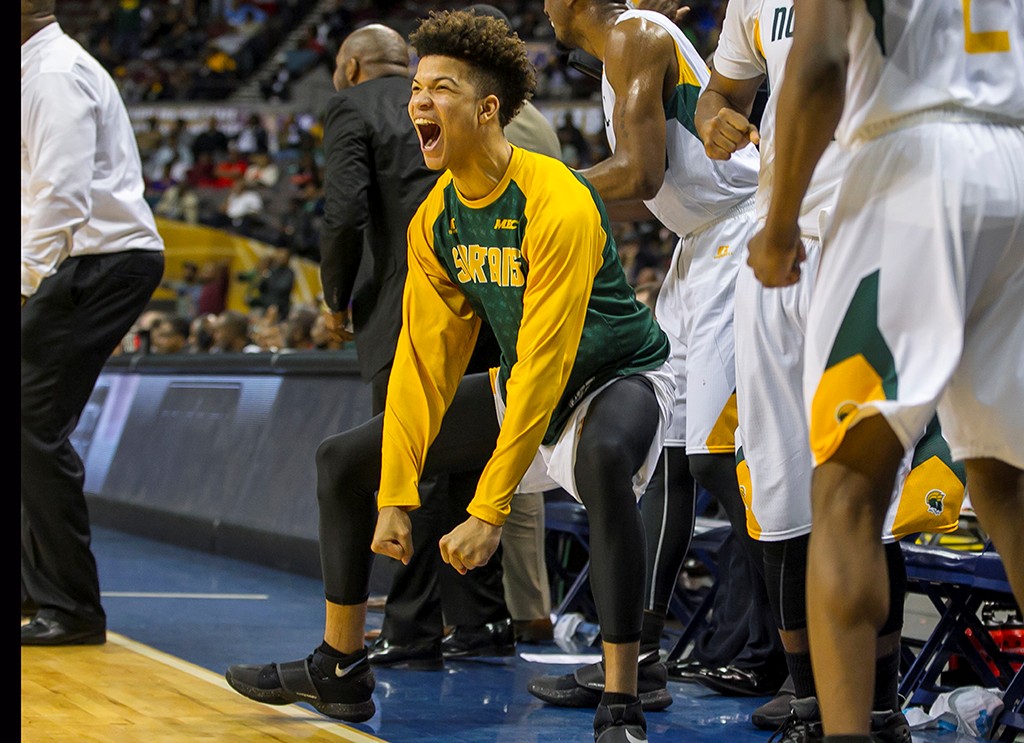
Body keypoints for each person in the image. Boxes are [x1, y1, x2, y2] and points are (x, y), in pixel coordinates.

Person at [225, 11, 675, 743]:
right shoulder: (435, 219)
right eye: (416, 88)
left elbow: (550, 360)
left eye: (441, 88)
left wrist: (490, 509)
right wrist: (397, 492)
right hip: (526, 382)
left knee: (600, 457)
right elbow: (423, 365)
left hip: (617, 376)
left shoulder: (556, 198)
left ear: (487, 108)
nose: (419, 103)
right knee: (345, 461)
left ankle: (622, 692)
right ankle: (341, 666)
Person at [745, 2, 1024, 741]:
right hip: (1016, 167)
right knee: (1006, 480)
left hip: (911, 168)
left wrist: (777, 226)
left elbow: (821, 61)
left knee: (846, 485)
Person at [528, 0, 787, 713]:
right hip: (699, 241)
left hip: (741, 229)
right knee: (665, 455)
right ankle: (635, 658)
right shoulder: (628, 44)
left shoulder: (636, 35)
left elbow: (637, 175)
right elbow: (653, 188)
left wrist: (545, 192)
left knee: (718, 456)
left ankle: (803, 658)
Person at [312, 21, 514, 673]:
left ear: (349, 67)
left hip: (409, 301)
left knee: (412, 457)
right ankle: (480, 619)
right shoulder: (451, 99)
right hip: (487, 287)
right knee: (470, 453)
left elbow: (344, 211)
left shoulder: (351, 104)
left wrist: (335, 298)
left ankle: (411, 627)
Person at [21, 0, 165, 645]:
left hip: (101, 261)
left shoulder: (52, 74)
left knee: (34, 420)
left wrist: (22, 279)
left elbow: (62, 191)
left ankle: (72, 607)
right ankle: (39, 587)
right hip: (85, 261)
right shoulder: (39, 69)